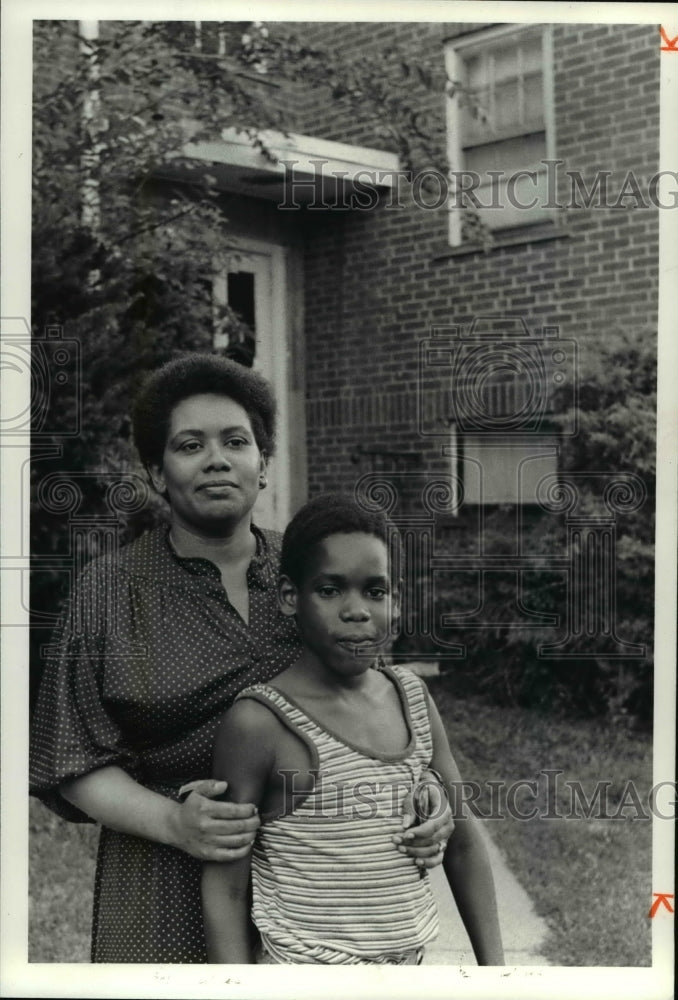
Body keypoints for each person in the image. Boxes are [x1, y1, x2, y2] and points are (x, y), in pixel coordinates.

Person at [29, 353, 453, 964]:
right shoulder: (108, 589)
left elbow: (380, 706)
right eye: (189, 445)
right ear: (156, 472)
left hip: (319, 888)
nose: (217, 459)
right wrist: (176, 823)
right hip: (160, 881)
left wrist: (427, 793)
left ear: (264, 464)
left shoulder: (313, 571)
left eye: (235, 441)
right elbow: (71, 758)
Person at [202, 493, 505, 966]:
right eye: (330, 590)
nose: (356, 610)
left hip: (408, 972)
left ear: (395, 601)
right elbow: (226, 885)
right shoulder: (260, 721)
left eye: (375, 591)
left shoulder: (412, 700)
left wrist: (496, 975)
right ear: (289, 597)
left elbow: (463, 844)